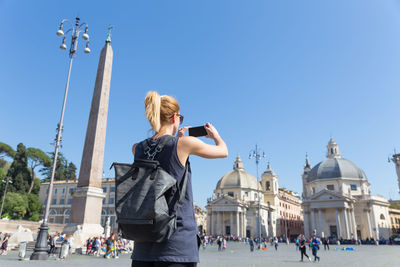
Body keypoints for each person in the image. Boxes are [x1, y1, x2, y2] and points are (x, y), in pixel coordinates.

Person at [130, 91, 228, 267]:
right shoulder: (183, 144)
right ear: (175, 117)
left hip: (143, 246)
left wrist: (178, 141)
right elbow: (223, 151)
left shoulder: (137, 148)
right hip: (176, 245)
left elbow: (160, 151)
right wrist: (215, 136)